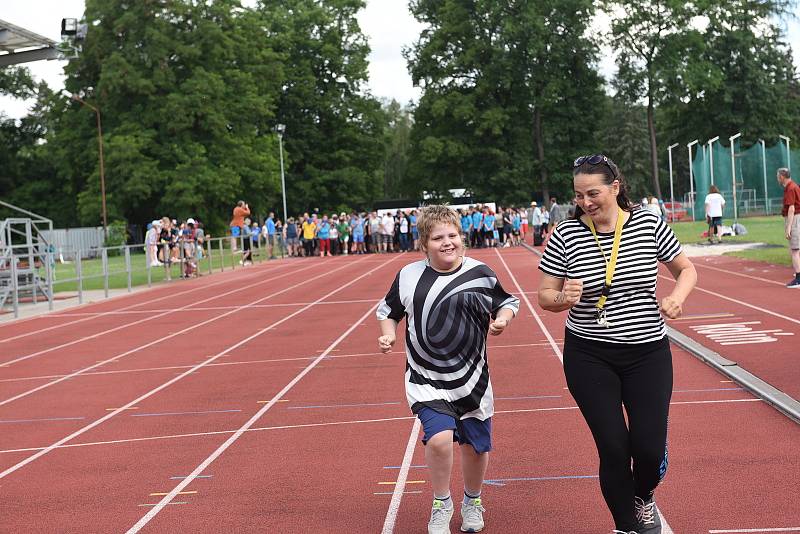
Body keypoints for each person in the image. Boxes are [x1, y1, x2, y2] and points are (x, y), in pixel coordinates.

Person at [537, 154, 696, 534]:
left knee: (648, 450)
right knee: (612, 447)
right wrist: (564, 298)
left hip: (647, 353)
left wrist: (677, 298)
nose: (586, 203)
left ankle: (644, 496)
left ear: (615, 187)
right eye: (578, 196)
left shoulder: (648, 223)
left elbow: (686, 269)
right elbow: (545, 295)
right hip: (589, 354)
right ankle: (626, 525)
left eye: (593, 193)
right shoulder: (566, 234)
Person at [376, 205, 519, 534]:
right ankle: (442, 503)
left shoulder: (480, 272)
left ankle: (472, 500)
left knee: (475, 446)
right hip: (426, 379)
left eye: (452, 235)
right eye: (438, 237)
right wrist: (388, 334)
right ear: (424, 243)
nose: (447, 242)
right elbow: (388, 311)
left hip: (473, 381)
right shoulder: (409, 276)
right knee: (439, 440)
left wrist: (501, 321)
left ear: (462, 237)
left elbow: (508, 302)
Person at [777, 168, 800, 288]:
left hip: (795, 218)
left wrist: (789, 227)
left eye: (778, 176)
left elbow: (791, 208)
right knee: (797, 249)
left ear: (782, 176)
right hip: (796, 218)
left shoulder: (791, 188)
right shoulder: (791, 186)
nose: (777, 178)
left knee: (795, 250)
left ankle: (798, 278)